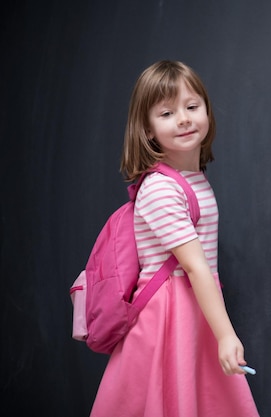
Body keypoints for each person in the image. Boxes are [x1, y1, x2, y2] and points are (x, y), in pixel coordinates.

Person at [90, 60, 259, 417]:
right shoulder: (162, 188)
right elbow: (196, 267)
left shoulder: (191, 178)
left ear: (207, 113)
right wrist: (227, 335)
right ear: (148, 129)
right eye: (166, 113)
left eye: (192, 107)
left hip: (194, 307)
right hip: (171, 315)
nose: (183, 118)